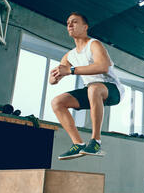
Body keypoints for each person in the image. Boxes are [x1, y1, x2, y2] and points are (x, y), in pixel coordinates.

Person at [50, 12, 124, 160]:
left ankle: (96, 141)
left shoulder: (94, 44)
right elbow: (53, 81)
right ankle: (78, 144)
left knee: (94, 88)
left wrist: (70, 71)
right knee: (57, 102)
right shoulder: (69, 55)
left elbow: (103, 66)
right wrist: (55, 76)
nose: (70, 25)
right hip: (91, 90)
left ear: (85, 27)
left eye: (74, 22)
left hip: (112, 89)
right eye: (68, 23)